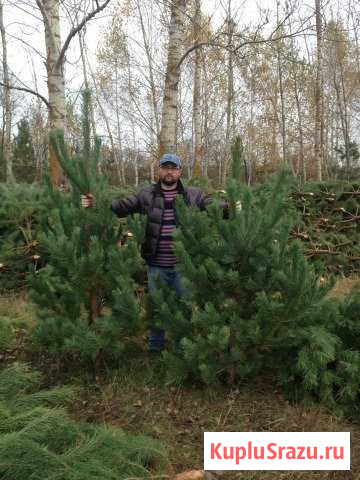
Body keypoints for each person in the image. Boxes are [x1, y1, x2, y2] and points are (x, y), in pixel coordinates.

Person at [81, 153, 229, 351]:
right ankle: (156, 346)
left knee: (183, 307)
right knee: (157, 307)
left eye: (173, 168)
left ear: (179, 172)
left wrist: (232, 207)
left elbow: (214, 207)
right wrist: (97, 202)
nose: (169, 172)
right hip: (156, 264)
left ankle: (180, 347)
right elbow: (123, 206)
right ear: (159, 170)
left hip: (183, 265)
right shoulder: (146, 194)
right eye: (165, 167)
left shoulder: (194, 194)